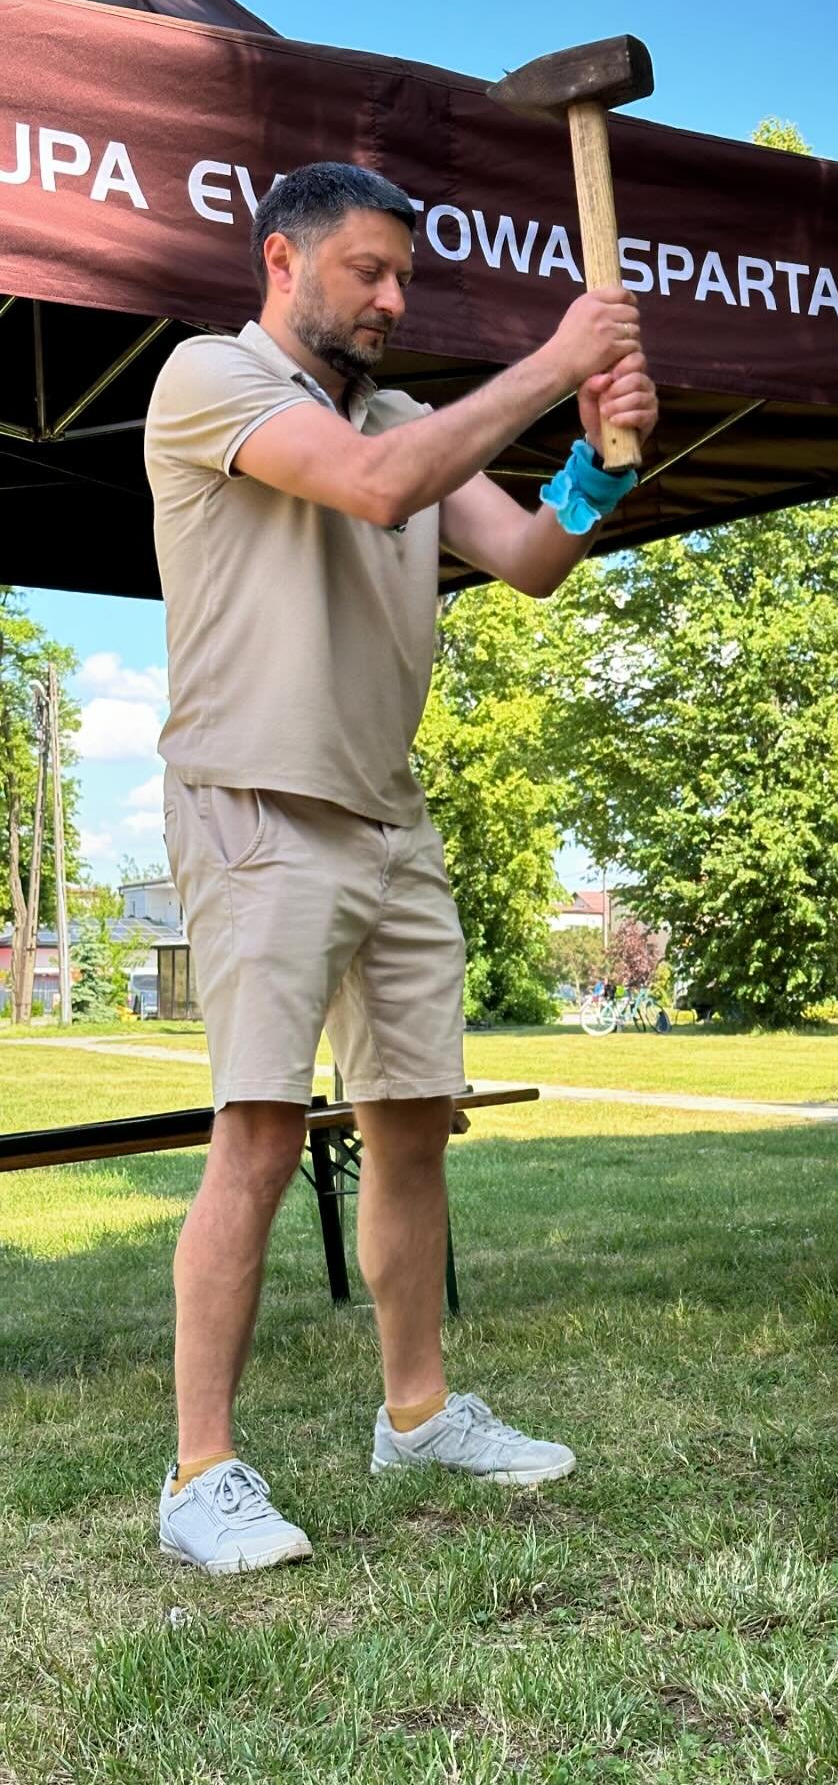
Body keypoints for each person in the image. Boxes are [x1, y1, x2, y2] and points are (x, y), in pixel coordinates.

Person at [144, 161, 658, 1575]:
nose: (390, 299)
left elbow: (531, 558)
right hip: (257, 807)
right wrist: (557, 360)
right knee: (256, 1135)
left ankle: (418, 1411)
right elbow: (371, 494)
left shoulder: (409, 422)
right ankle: (201, 1474)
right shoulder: (208, 381)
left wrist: (599, 465)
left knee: (413, 1120)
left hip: (387, 815)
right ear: (283, 262)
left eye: (404, 280)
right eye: (367, 271)